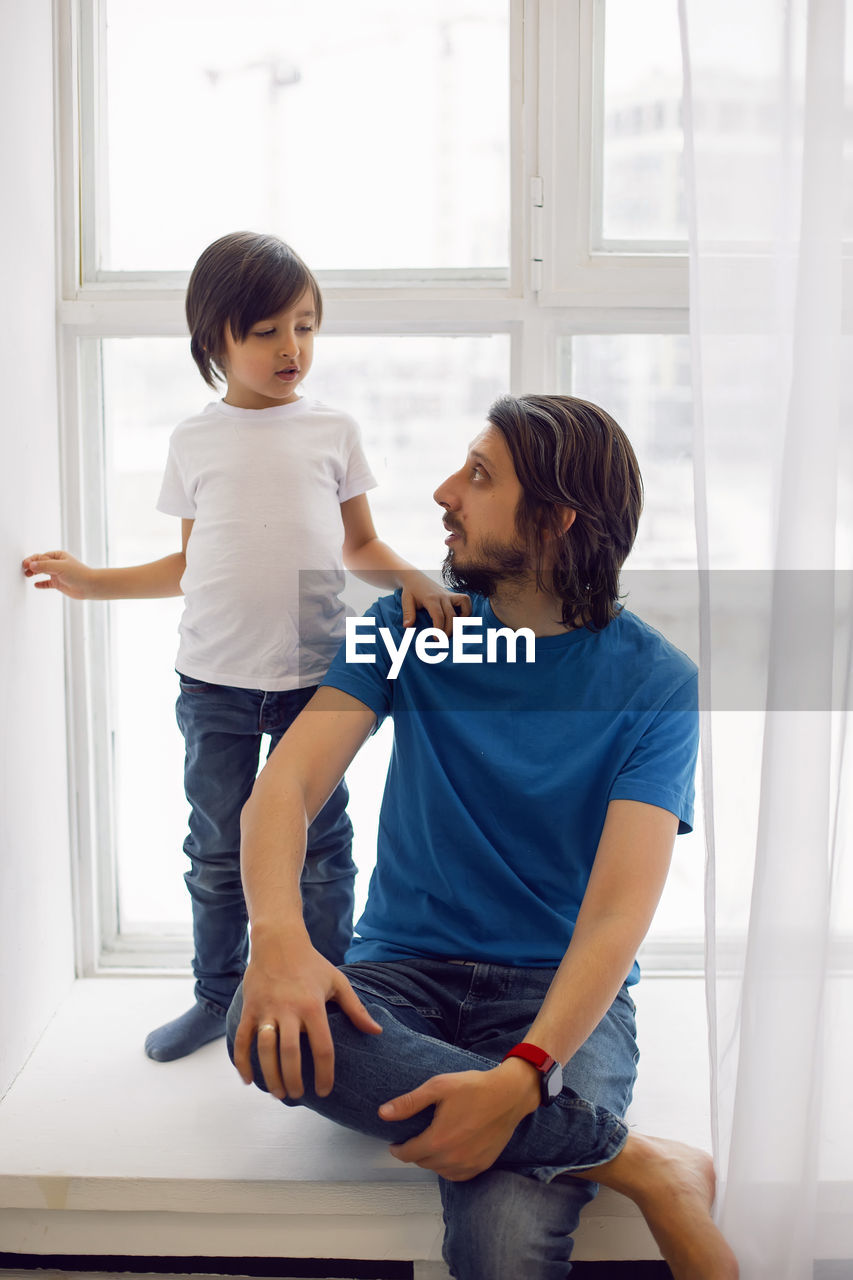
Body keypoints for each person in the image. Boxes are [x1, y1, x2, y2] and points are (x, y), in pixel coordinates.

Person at [226, 392, 739, 1280]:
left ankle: (571, 1131)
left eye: (477, 476)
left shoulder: (656, 682)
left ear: (553, 520)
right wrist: (277, 939)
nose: (441, 493)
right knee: (259, 1013)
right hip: (402, 976)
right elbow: (287, 784)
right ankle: (639, 1163)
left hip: (556, 997)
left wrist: (523, 1073)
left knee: (498, 1243)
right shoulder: (408, 630)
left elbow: (618, 913)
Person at [21, 231, 467, 1064]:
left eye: (303, 326)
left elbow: (358, 545)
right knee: (217, 850)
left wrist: (417, 580)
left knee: (322, 848)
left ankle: (333, 992)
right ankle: (218, 996)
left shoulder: (333, 430)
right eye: (264, 331)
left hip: (315, 682)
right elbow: (191, 565)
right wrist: (91, 580)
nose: (289, 347)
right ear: (213, 342)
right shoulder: (195, 441)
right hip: (214, 683)